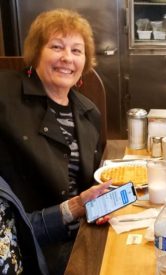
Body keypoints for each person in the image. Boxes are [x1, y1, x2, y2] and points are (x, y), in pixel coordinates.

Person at [0, 9, 108, 274]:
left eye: (76, 50)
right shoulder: (5, 95)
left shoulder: (87, 112)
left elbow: (85, 183)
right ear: (37, 52)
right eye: (56, 47)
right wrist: (74, 208)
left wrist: (99, 204)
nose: (66, 58)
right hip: (31, 247)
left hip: (82, 232)